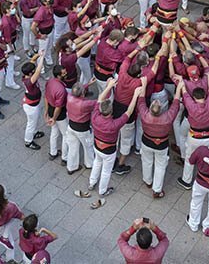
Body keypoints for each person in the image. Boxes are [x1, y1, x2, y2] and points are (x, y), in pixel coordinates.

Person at [75, 79, 142, 209]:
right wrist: (135, 95)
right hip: (109, 150)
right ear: (111, 112)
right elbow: (128, 112)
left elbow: (100, 99)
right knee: (106, 171)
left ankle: (91, 183)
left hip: (97, 146)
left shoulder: (95, 116)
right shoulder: (114, 124)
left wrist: (109, 86)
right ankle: (102, 191)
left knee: (97, 163)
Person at [139, 79, 183, 198]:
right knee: (160, 166)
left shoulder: (144, 115)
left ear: (150, 108)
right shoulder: (168, 117)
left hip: (147, 141)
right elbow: (175, 104)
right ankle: (157, 190)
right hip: (162, 144)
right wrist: (178, 88)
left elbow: (141, 100)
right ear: (161, 109)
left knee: (146, 161)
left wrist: (143, 85)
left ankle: (147, 181)